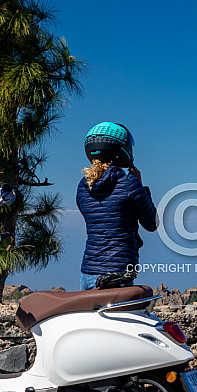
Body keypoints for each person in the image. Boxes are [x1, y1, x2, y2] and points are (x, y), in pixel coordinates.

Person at [76, 122, 158, 290]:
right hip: (117, 275)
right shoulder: (129, 183)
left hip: (88, 274)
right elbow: (151, 223)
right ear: (122, 151)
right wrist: (142, 188)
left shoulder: (83, 186)